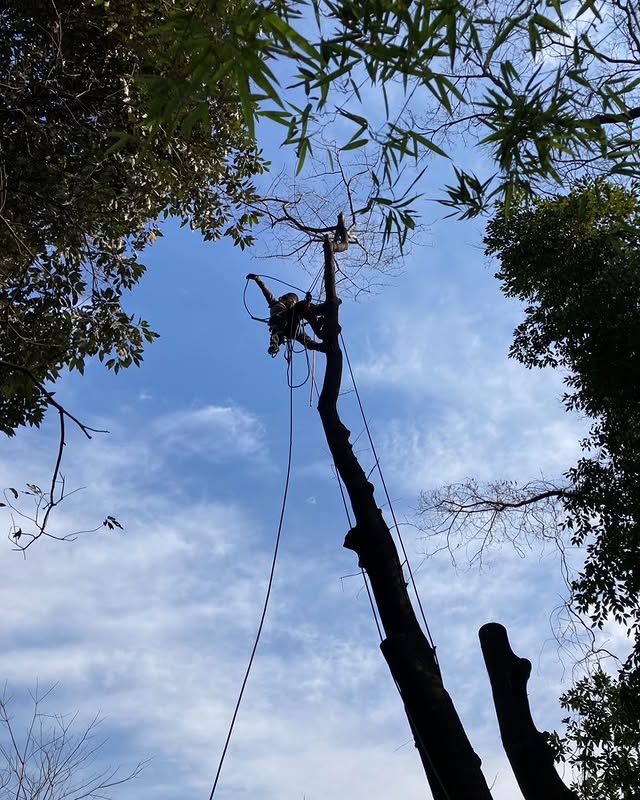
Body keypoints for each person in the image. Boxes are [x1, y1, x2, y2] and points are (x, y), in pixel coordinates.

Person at [246, 274, 325, 357]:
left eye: (294, 302)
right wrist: (257, 279)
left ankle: (322, 345)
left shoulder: (293, 310)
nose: (292, 303)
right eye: (292, 300)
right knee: (301, 305)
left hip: (292, 327)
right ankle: (275, 342)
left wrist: (308, 304)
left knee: (306, 340)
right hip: (281, 322)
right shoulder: (275, 303)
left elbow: (305, 312)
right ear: (285, 299)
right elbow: (265, 291)